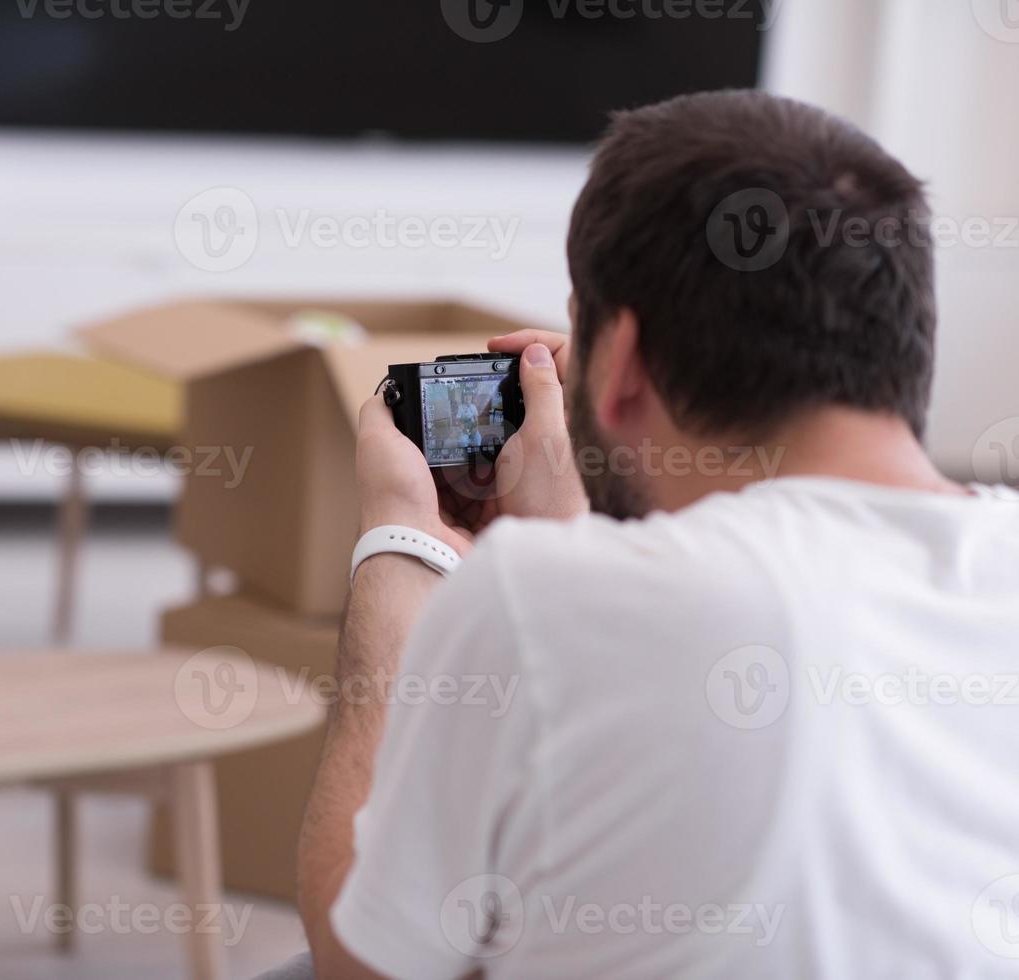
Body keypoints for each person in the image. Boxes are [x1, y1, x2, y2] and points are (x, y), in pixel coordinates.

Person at [295, 90, 1019, 978]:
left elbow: (358, 959)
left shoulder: (538, 595)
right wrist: (576, 534)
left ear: (625, 360)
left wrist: (400, 542)